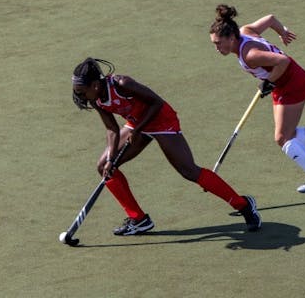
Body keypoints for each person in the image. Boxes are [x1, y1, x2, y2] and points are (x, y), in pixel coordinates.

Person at [71, 57, 261, 235]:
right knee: (103, 166)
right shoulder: (95, 99)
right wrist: (111, 159)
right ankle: (138, 219)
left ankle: (243, 205)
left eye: (81, 91)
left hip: (161, 120)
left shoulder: (122, 84)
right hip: (136, 123)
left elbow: (157, 103)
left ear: (95, 85)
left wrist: (137, 130)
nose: (79, 96)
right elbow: (112, 129)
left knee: (188, 171)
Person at [208, 4, 305, 193]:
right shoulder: (245, 31)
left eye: (218, 43)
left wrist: (269, 81)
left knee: (282, 137)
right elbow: (270, 18)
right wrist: (282, 31)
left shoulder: (250, 55)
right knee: (286, 133)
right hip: (285, 83)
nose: (216, 48)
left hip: (292, 84)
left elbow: (283, 61)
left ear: (231, 37)